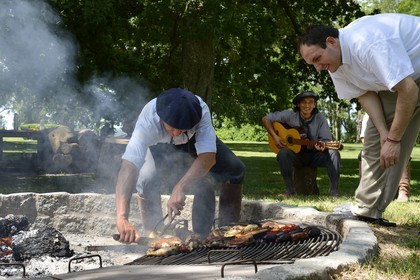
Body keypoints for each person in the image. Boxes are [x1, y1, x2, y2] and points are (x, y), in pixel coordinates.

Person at [297, 13, 420, 226]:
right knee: (374, 141)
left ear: (331, 42)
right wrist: (384, 134)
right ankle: (367, 210)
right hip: (405, 81)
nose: (318, 68)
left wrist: (393, 141)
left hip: (408, 81)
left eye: (317, 59)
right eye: (312, 64)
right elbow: (365, 94)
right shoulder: (335, 63)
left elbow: (408, 89)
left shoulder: (367, 43)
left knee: (391, 141)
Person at [115, 88, 246, 243]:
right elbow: (128, 167)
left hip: (192, 141)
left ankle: (226, 233)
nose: (176, 132)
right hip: (158, 144)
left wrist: (180, 186)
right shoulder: (148, 121)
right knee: (146, 179)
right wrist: (122, 217)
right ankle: (154, 235)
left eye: (182, 127)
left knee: (236, 170)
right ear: (161, 117)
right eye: (172, 127)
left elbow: (208, 157)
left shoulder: (200, 110)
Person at [262, 91, 341, 197]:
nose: (307, 105)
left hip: (314, 155)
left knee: (334, 152)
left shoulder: (320, 119)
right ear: (298, 104)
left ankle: (334, 192)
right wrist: (275, 137)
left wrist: (322, 146)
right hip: (296, 155)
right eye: (304, 102)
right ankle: (290, 191)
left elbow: (326, 140)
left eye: (310, 102)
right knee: (283, 153)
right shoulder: (289, 115)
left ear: (314, 105)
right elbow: (266, 119)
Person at [359, 113, 412, 202]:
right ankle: (369, 189)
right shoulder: (368, 116)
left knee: (404, 154)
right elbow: (364, 139)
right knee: (362, 155)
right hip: (377, 146)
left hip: (396, 143)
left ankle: (403, 190)